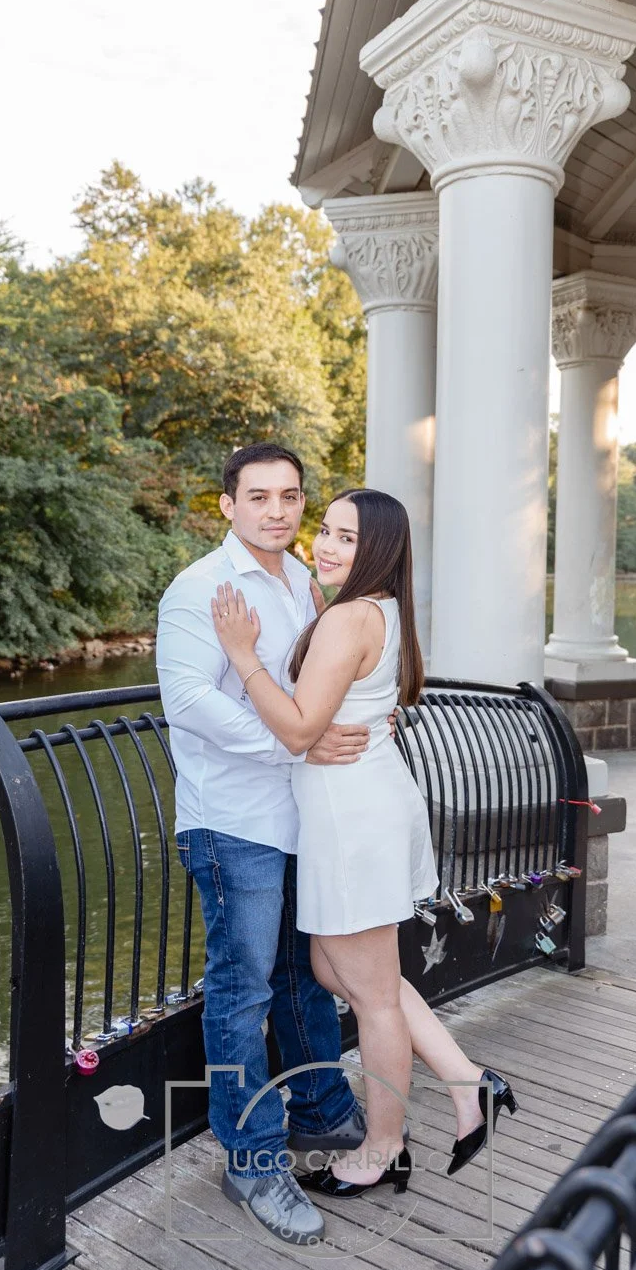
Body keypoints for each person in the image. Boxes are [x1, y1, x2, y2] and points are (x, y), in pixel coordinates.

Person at [211, 487, 517, 1198]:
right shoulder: (381, 610)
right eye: (326, 530)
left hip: (352, 816)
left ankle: (382, 1149)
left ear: (376, 547)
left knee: (374, 999)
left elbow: (296, 729)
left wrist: (242, 654)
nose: (325, 545)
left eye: (346, 538)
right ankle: (469, 1081)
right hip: (359, 803)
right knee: (333, 971)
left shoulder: (349, 618)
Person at [156, 443, 375, 1249]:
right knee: (242, 990)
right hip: (232, 821)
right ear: (228, 505)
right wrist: (294, 744)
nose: (277, 511)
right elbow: (185, 700)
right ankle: (251, 1159)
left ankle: (321, 1113)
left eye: (290, 496)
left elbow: (311, 690)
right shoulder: (200, 589)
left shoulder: (300, 584)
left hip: (296, 817)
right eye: (259, 497)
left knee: (304, 978)